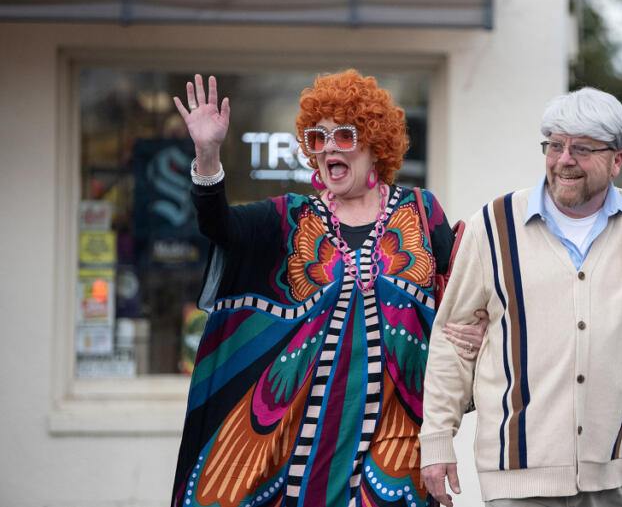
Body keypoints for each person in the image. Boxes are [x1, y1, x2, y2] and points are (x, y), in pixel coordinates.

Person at [419, 72, 622, 507]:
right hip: (516, 476)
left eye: (582, 148)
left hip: (612, 475)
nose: (564, 159)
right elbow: (453, 342)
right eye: (555, 145)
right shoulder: (494, 224)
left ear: (617, 160)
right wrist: (438, 441)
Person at [170, 70, 487, 507]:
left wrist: (482, 329)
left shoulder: (420, 210)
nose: (330, 147)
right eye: (318, 139)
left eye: (344, 135)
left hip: (399, 440)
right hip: (303, 447)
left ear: (375, 143)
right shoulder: (289, 219)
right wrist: (207, 154)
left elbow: (466, 296)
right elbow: (218, 225)